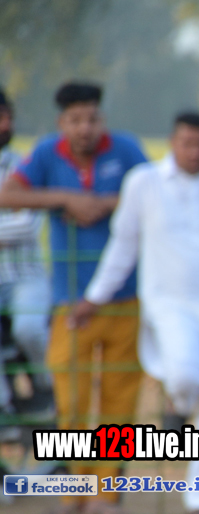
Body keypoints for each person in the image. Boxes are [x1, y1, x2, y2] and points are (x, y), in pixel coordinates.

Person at [69, 112, 199, 514]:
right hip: (170, 305)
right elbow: (123, 246)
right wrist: (95, 296)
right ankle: (176, 405)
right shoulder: (144, 183)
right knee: (183, 372)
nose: (195, 152)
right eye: (188, 144)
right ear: (172, 142)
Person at [0, 82, 147, 514]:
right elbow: (7, 194)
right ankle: (74, 491)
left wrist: (106, 203)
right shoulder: (47, 154)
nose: (85, 128)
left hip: (126, 296)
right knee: (72, 399)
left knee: (119, 400)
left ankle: (107, 494)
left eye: (92, 118)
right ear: (61, 123)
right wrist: (64, 199)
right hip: (69, 299)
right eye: (75, 120)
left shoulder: (126, 150)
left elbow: (157, 192)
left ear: (103, 119)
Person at [0, 88, 52, 428]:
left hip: (26, 275)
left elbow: (29, 225)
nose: (6, 124)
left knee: (30, 329)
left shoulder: (26, 166)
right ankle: (4, 406)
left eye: (8, 117)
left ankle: (46, 387)